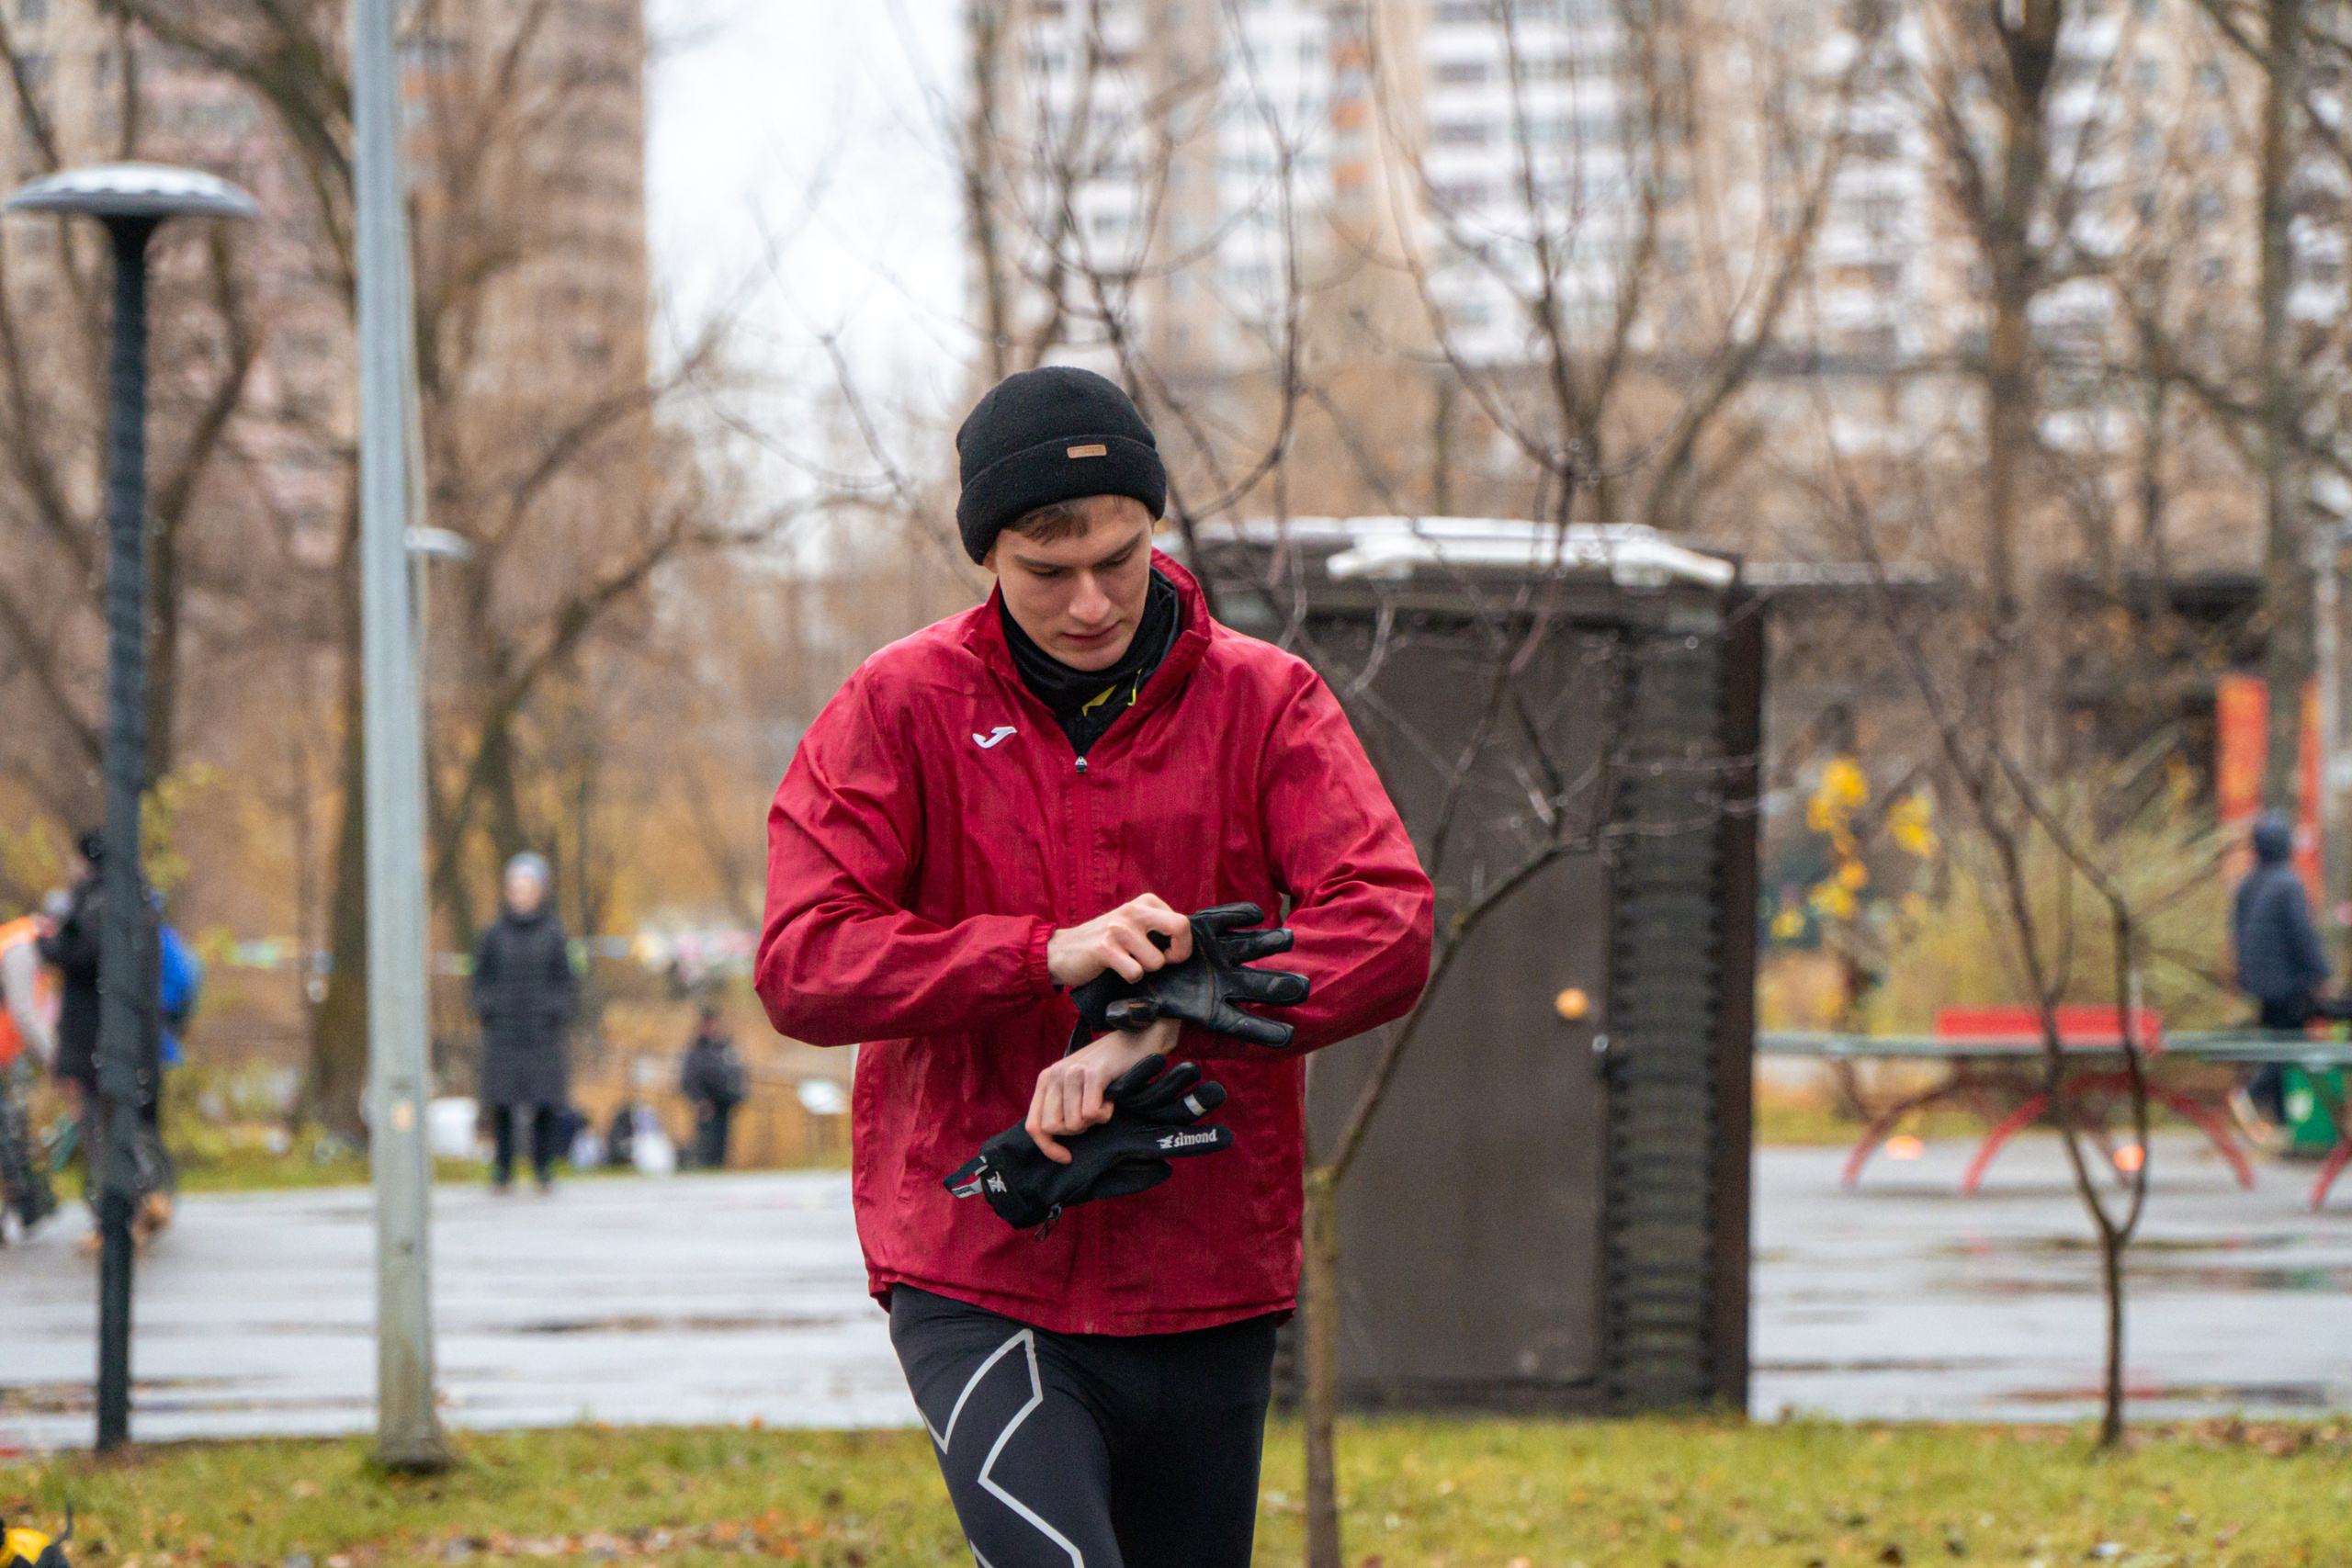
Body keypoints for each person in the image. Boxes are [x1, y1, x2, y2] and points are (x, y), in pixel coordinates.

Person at [757, 366, 1435, 1568]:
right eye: (1045, 568)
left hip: (1208, 1268)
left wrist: (1169, 1011)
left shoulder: (1267, 701)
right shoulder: (898, 705)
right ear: (987, 556)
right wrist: (1036, 954)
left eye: (1119, 558)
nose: (1089, 601)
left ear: (1154, 529)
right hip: (978, 1255)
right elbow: (805, 961)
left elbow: (1386, 920)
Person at [36, 832, 171, 1242]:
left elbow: (82, 953)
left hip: (94, 1035)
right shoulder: (141, 898)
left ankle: (119, 1215)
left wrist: (49, 942)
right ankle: (144, 1196)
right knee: (121, 1120)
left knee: (97, 1124)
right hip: (135, 1030)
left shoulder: (95, 902)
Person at [471, 852, 576, 1193]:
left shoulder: (553, 934)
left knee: (544, 1104)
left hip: (541, 1033)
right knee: (502, 1104)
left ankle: (543, 1167)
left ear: (540, 891)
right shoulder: (494, 935)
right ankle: (503, 1167)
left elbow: (566, 980)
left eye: (527, 888)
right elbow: (480, 979)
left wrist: (555, 1010)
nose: (521, 895)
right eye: (515, 888)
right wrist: (487, 1009)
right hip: (503, 1032)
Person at [2233, 810, 2331, 1125]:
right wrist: (2321, 973)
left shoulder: (2246, 885)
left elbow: (2238, 934)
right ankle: (2252, 1095)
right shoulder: (2289, 884)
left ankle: (2280, 1120)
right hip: (2287, 985)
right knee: (2289, 1046)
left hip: (2258, 983)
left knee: (2279, 1043)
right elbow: (2302, 935)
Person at [678, 1004, 746, 1170]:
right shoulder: (696, 1051)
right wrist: (699, 1100)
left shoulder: (725, 1048)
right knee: (707, 1148)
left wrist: (738, 1095)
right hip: (707, 1107)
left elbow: (738, 1073)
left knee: (722, 1148)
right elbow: (689, 1079)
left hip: (725, 1105)